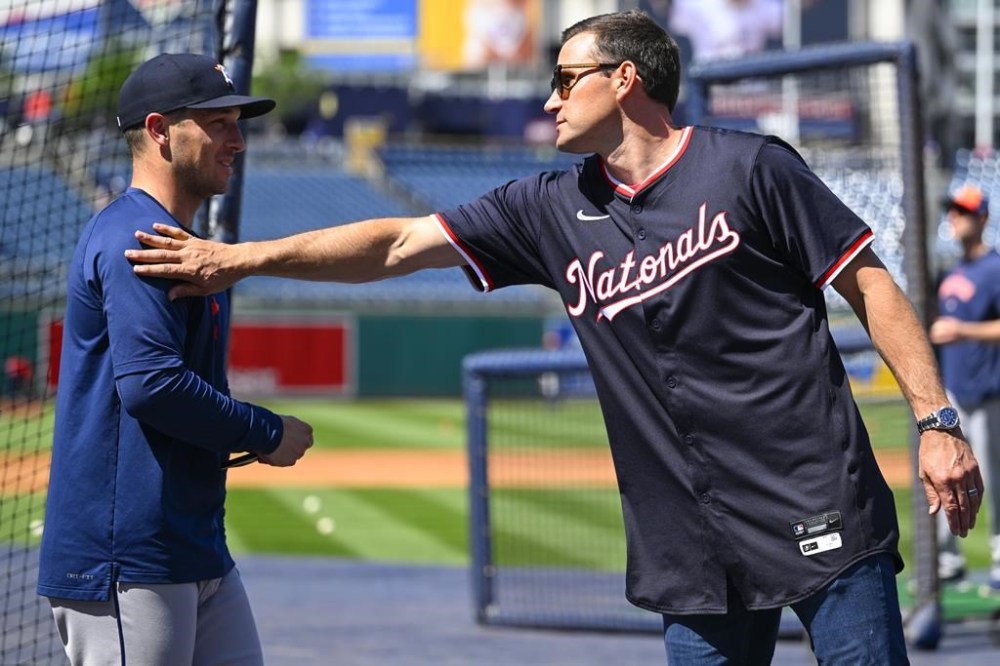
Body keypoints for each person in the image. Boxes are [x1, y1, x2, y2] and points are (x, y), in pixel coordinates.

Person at [125, 12, 982, 663]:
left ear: (624, 80)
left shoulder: (750, 168)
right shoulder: (547, 209)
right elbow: (394, 243)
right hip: (690, 539)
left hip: (813, 500)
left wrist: (937, 422)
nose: (550, 97)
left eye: (565, 78)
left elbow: (868, 281)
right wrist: (243, 257)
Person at [37, 53, 314, 666]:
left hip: (191, 544)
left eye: (237, 122)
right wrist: (265, 431)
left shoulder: (177, 242)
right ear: (161, 131)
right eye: (218, 122)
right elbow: (152, 386)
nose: (237, 140)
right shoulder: (138, 238)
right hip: (129, 556)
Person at [931, 183, 1000, 587]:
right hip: (954, 390)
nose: (954, 216)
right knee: (945, 472)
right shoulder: (950, 271)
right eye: (953, 210)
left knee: (992, 475)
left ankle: (997, 553)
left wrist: (964, 330)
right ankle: (946, 558)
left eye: (963, 211)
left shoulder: (994, 268)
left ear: (983, 218)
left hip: (990, 391)